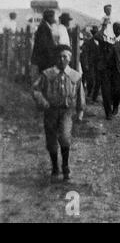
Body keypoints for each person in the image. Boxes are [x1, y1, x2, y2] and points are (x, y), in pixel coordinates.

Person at [32, 44, 85, 181]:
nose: (62, 59)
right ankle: (55, 167)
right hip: (50, 111)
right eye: (60, 56)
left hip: (66, 111)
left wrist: (80, 111)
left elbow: (80, 95)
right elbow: (36, 89)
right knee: (51, 139)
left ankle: (65, 166)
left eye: (65, 56)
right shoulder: (47, 74)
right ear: (56, 58)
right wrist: (43, 102)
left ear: (70, 58)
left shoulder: (75, 76)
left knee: (65, 137)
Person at [96, 22, 120, 120]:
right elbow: (96, 36)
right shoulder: (106, 39)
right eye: (115, 29)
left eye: (119, 29)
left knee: (118, 91)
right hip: (106, 69)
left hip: (118, 71)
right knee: (106, 91)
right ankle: (108, 113)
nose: (117, 31)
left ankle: (115, 106)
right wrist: (104, 27)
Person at [31, 9, 58, 73]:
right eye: (53, 17)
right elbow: (44, 45)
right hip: (44, 59)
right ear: (49, 18)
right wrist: (52, 55)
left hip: (44, 58)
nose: (54, 19)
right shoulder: (43, 28)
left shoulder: (45, 26)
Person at [81, 26, 101, 102]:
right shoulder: (88, 42)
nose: (96, 35)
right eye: (94, 33)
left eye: (97, 33)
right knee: (91, 80)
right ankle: (89, 93)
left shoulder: (101, 42)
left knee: (98, 80)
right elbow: (85, 54)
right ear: (93, 34)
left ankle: (94, 97)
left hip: (99, 64)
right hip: (91, 64)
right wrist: (86, 63)